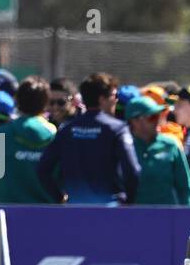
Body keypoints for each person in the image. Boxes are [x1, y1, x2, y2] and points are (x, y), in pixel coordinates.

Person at [36, 72, 140, 205]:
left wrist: (60, 198)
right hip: (111, 210)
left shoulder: (66, 130)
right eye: (114, 96)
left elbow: (42, 170)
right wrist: (128, 203)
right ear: (102, 99)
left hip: (75, 210)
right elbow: (133, 171)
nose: (116, 100)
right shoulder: (118, 129)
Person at [0, 77, 58, 204]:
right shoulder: (55, 135)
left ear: (16, 100)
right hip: (49, 217)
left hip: (5, 216)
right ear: (46, 104)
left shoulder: (1, 134)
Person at [126, 96, 190, 206]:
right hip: (132, 218)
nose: (158, 120)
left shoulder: (171, 145)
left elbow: (186, 188)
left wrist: (186, 216)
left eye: (159, 116)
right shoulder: (124, 147)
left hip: (167, 218)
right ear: (135, 121)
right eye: (152, 117)